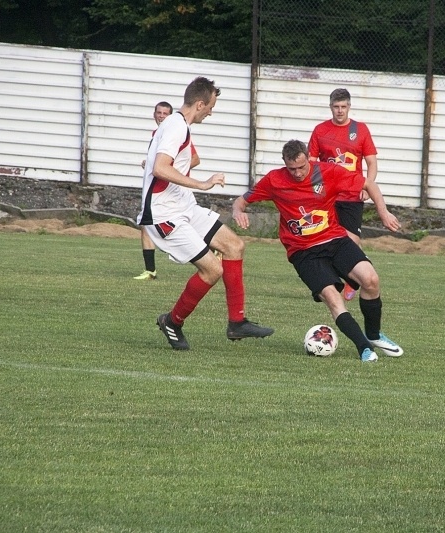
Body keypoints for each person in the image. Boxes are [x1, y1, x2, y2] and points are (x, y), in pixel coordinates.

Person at [232, 140, 402, 363]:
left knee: (370, 279)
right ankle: (364, 348)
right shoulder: (274, 180)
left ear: (307, 158)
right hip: (303, 252)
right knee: (332, 298)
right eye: (292, 169)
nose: (298, 173)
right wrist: (238, 211)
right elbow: (241, 201)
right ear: (284, 163)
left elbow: (368, 185)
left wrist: (384, 213)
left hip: (334, 239)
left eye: (302, 167)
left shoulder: (327, 172)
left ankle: (374, 334)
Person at [137, 76, 273, 349]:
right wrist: (202, 183)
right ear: (199, 104)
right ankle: (172, 322)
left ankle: (237, 323)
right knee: (212, 269)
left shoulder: (178, 125)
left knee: (234, 246)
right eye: (211, 106)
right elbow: (160, 168)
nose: (211, 111)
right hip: (164, 214)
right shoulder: (176, 127)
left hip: (183, 206)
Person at [308, 88, 378, 301]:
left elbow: (371, 162)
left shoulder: (360, 130)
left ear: (349, 107)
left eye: (343, 107)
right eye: (336, 107)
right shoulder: (320, 130)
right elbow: (311, 163)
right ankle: (326, 284)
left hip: (351, 194)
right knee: (322, 238)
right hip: (328, 196)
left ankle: (355, 278)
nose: (340, 111)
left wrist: (368, 185)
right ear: (331, 107)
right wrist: (316, 188)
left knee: (352, 239)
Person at [135, 101, 201, 280]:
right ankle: (150, 270)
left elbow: (194, 159)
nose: (161, 116)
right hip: (158, 192)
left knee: (184, 227)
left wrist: (170, 171)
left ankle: (212, 250)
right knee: (145, 226)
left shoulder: (176, 130)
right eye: (159, 113)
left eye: (165, 113)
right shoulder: (159, 133)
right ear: (154, 114)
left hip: (170, 194)